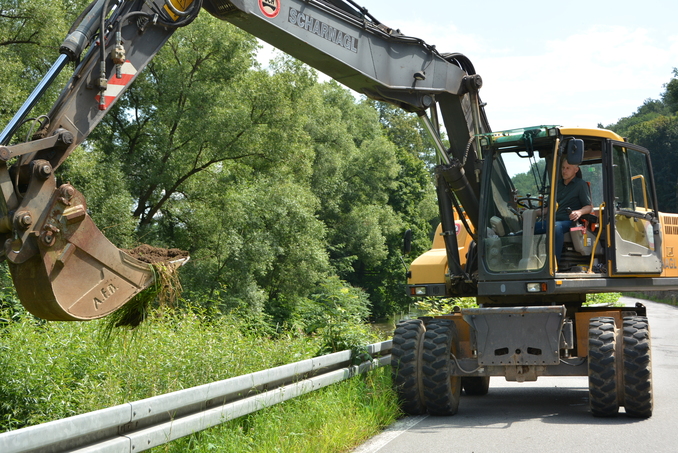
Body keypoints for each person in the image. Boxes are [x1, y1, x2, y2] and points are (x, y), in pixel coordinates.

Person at [535, 160, 593, 266]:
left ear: (576, 170)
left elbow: (589, 207)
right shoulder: (557, 185)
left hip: (568, 222)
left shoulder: (581, 185)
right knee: (529, 227)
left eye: (568, 168)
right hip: (552, 220)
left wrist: (579, 212)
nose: (564, 171)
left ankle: (553, 264)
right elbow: (548, 208)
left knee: (556, 227)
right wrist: (532, 213)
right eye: (563, 168)